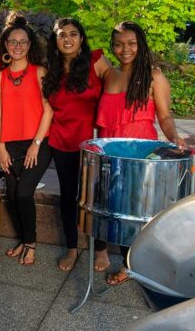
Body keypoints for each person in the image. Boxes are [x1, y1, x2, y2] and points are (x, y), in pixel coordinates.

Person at [96, 20, 186, 286]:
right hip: (109, 154)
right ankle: (103, 250)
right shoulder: (110, 75)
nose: (125, 49)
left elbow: (165, 116)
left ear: (141, 44)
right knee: (104, 204)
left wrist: (174, 137)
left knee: (133, 211)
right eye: (119, 44)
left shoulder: (153, 76)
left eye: (132, 43)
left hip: (138, 157)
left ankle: (129, 264)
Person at [42, 18, 112, 273]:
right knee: (69, 197)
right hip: (61, 142)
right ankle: (72, 248)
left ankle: (102, 249)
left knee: (96, 198)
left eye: (73, 34)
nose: (68, 39)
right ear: (56, 40)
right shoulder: (51, 69)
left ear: (81, 39)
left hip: (93, 145)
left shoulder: (96, 61)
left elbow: (119, 86)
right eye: (62, 35)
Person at [0, 13, 52, 266]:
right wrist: (1, 147)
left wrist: (36, 145)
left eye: (23, 42)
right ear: (6, 45)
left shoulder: (40, 72)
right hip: (9, 144)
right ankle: (23, 239)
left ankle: (31, 243)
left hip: (37, 143)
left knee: (23, 193)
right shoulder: (1, 77)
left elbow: (49, 110)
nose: (17, 46)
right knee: (12, 195)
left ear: (30, 45)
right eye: (12, 42)